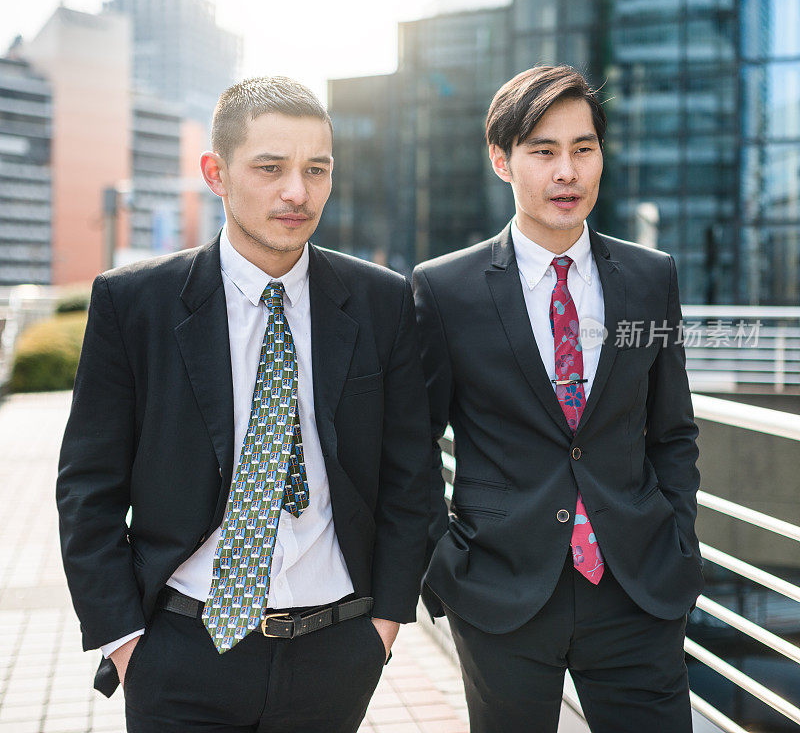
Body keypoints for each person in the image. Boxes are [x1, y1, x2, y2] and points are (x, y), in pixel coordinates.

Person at [57, 76, 430, 732]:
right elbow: (88, 484)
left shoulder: (382, 301)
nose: (297, 191)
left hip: (336, 651)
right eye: (271, 168)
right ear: (217, 173)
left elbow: (411, 478)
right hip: (180, 652)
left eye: (317, 170)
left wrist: (383, 628)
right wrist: (123, 641)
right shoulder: (134, 303)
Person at [413, 65, 703, 733]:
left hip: (637, 587)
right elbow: (412, 445)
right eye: (543, 151)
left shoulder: (651, 277)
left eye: (583, 148)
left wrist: (678, 543)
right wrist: (446, 565)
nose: (566, 171)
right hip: (502, 590)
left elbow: (672, 432)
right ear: (502, 161)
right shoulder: (444, 289)